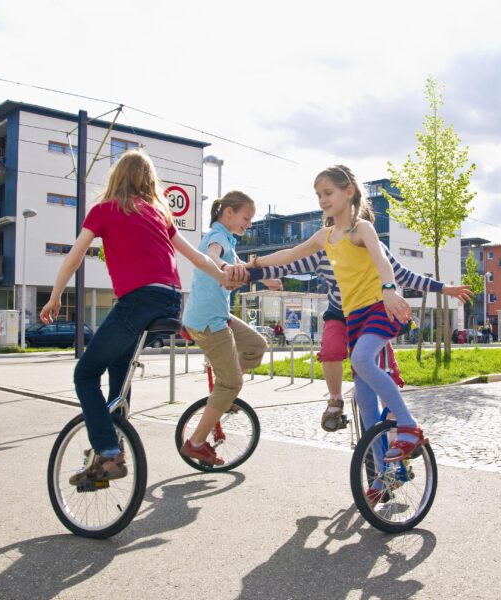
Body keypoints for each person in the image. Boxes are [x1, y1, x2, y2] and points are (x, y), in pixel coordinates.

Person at [39, 149, 237, 485]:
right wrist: (222, 275)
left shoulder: (104, 210)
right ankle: (112, 454)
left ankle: (108, 449)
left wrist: (55, 296)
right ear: (149, 182)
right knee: (119, 368)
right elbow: (195, 257)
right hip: (170, 300)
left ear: (118, 177)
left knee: (85, 373)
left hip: (139, 300)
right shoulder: (160, 213)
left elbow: (73, 258)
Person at [250, 165, 425, 504]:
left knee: (360, 358)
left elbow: (383, 262)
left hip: (378, 308)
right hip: (354, 317)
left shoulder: (362, 229)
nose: (322, 200)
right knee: (365, 404)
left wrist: (389, 288)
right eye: (318, 195)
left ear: (348, 193)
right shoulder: (324, 237)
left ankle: (409, 426)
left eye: (328, 193)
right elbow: (286, 256)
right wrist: (254, 262)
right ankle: (390, 473)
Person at [245, 219, 471, 431]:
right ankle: (335, 400)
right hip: (340, 314)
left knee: (382, 368)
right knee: (332, 348)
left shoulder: (373, 246)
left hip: (370, 313)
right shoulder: (323, 251)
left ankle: (398, 430)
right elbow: (287, 264)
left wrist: (443, 288)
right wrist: (250, 270)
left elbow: (402, 274)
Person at [179, 191, 269, 465]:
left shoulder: (227, 238)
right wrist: (223, 266)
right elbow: (211, 256)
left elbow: (241, 268)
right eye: (246, 218)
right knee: (231, 382)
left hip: (220, 316)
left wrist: (267, 280)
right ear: (228, 213)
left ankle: (225, 392)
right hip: (208, 322)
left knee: (257, 346)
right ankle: (196, 442)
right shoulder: (217, 237)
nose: (249, 224)